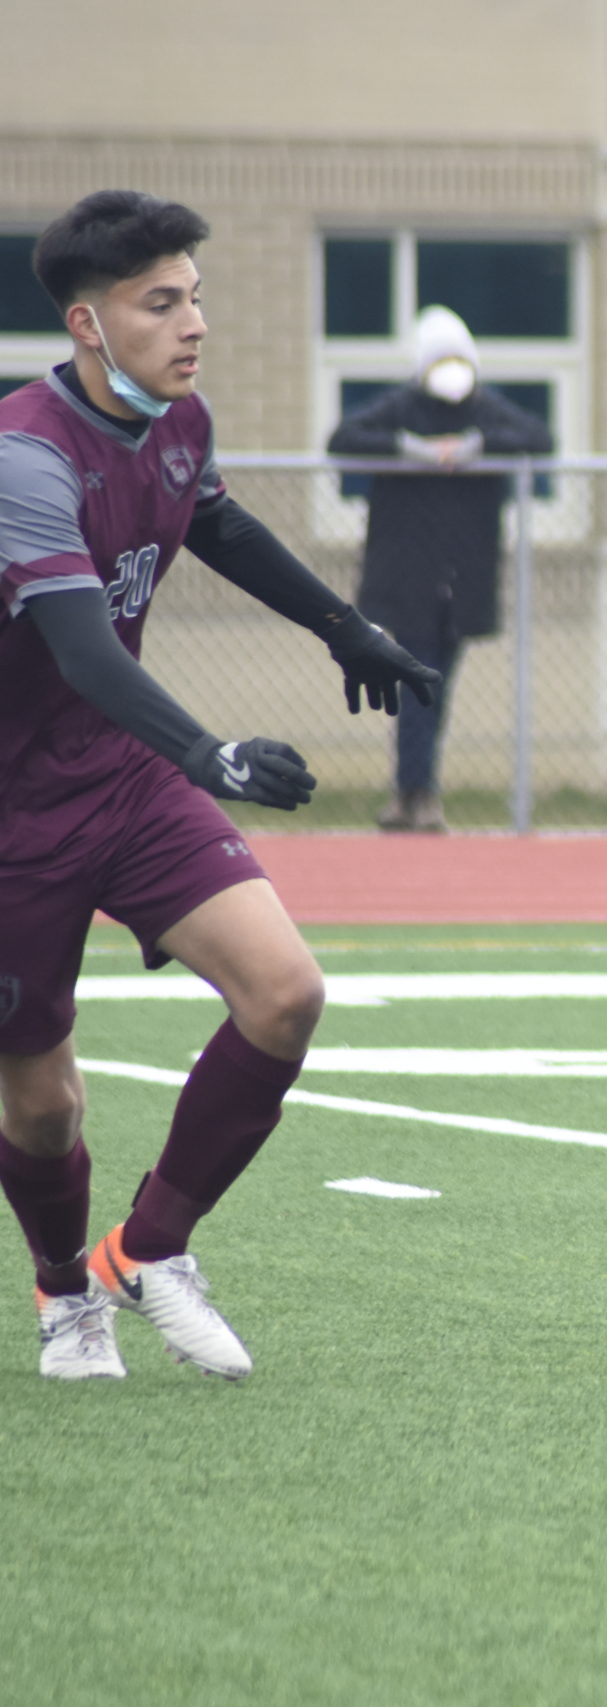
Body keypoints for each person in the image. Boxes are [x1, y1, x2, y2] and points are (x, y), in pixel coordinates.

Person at [0, 190, 438, 1380]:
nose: (193, 320)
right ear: (88, 324)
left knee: (286, 993)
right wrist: (213, 754)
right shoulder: (25, 455)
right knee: (43, 1110)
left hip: (123, 780)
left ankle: (142, 1254)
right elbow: (85, 649)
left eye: (194, 294)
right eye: (161, 301)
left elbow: (219, 525)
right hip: (13, 823)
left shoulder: (178, 419)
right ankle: (60, 1297)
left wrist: (347, 628)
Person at [327, 304, 553, 832]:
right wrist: (414, 451)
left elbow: (538, 438)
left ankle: (417, 788)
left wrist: (476, 446)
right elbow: (343, 439)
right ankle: (414, 791)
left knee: (435, 686)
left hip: (462, 579)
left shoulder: (485, 410)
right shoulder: (400, 407)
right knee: (418, 682)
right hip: (407, 578)